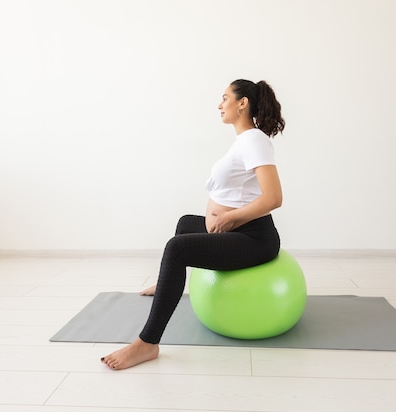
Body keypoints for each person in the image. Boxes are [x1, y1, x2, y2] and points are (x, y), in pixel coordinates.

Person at [101, 79, 285, 370]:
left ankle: (147, 343)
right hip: (238, 232)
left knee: (177, 249)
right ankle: (167, 283)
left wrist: (231, 217)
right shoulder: (245, 140)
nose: (219, 104)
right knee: (186, 223)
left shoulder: (254, 140)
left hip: (255, 239)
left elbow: (274, 198)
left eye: (225, 98)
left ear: (243, 103)